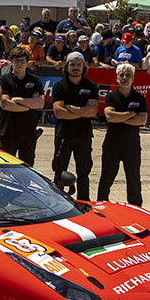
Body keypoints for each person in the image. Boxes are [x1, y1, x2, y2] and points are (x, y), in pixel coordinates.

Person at [96, 63, 147, 206]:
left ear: (133, 78)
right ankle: (101, 205)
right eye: (122, 75)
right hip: (112, 144)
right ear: (117, 77)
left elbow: (142, 120)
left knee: (133, 179)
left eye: (128, 75)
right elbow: (110, 116)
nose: (124, 78)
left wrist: (120, 118)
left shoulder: (139, 97)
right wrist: (131, 114)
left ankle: (136, 208)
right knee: (106, 178)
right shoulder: (111, 96)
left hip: (132, 145)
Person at [51, 53, 99, 201]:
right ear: (67, 66)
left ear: (84, 66)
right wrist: (82, 112)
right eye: (72, 65)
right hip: (63, 134)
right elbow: (59, 113)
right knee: (59, 171)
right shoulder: (59, 85)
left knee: (83, 172)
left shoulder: (90, 86)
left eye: (79, 65)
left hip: (83, 135)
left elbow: (92, 111)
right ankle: (58, 203)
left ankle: (84, 202)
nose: (76, 68)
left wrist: (70, 108)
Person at [0, 45, 45, 165]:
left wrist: (18, 100)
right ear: (11, 61)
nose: (19, 63)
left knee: (27, 168)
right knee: (6, 169)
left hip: (28, 132)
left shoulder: (35, 80)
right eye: (16, 60)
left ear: (27, 62)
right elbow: (5, 104)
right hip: (8, 132)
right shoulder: (4, 80)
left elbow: (40, 103)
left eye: (22, 60)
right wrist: (29, 105)